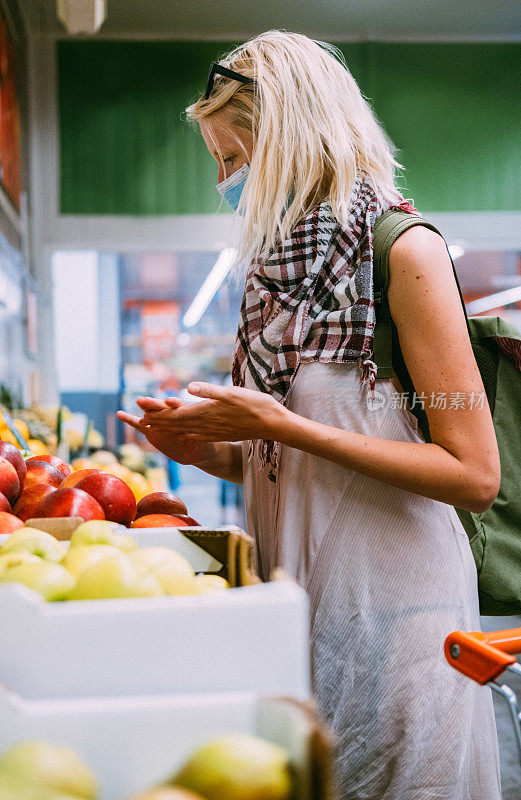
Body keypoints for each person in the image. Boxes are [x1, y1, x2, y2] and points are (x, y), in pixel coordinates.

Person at [117, 31, 502, 799]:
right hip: (296, 604)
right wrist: (206, 449)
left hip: (399, 622)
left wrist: (282, 426)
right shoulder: (270, 276)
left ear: (293, 140)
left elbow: (472, 473)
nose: (226, 181)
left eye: (233, 159)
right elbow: (287, 461)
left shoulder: (404, 252)